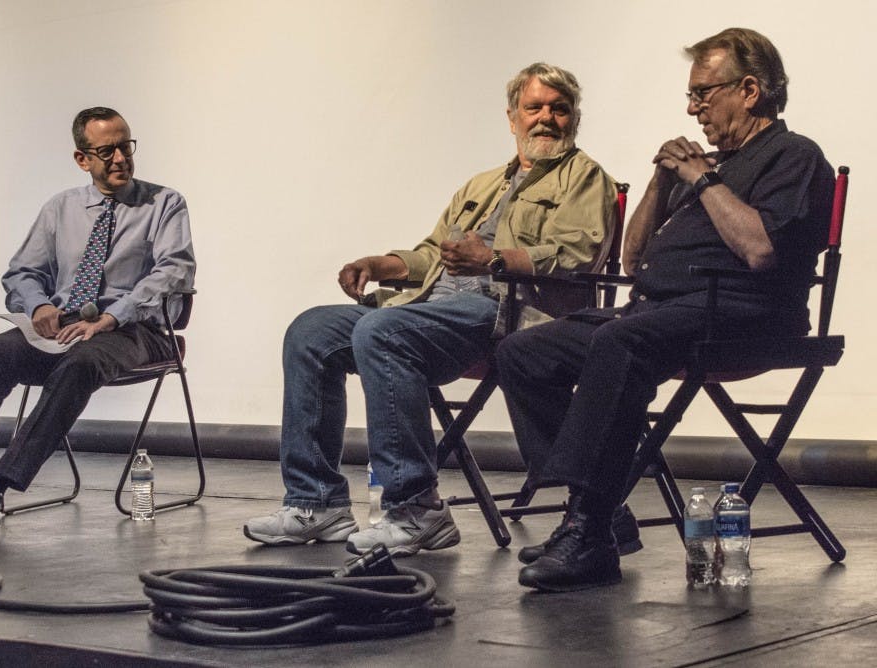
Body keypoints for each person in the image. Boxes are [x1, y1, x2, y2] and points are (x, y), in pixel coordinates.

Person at [496, 28, 834, 591]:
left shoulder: (794, 156)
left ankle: (588, 531)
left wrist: (703, 179)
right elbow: (632, 259)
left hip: (743, 314)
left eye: (703, 93)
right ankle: (600, 512)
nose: (692, 108)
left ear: (749, 90)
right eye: (691, 95)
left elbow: (760, 249)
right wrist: (661, 179)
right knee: (523, 351)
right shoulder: (711, 166)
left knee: (620, 343)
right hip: (660, 310)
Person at [243, 63, 618, 556]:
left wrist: (495, 259)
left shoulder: (585, 177)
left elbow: (577, 255)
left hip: (504, 314)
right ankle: (317, 502)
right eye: (534, 107)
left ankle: (417, 508)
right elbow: (432, 254)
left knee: (382, 332)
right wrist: (382, 264)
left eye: (559, 109)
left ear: (575, 118)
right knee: (310, 331)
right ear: (512, 118)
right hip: (429, 308)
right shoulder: (481, 185)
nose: (546, 118)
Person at [0, 107, 196, 537]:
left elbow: (173, 273)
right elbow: (22, 272)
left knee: (81, 363)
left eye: (125, 147)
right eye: (106, 151)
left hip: (136, 329)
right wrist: (37, 307)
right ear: (82, 159)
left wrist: (112, 317)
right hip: (67, 327)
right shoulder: (60, 208)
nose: (120, 158)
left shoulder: (164, 204)